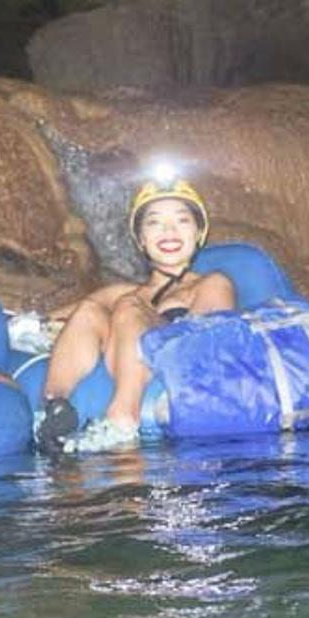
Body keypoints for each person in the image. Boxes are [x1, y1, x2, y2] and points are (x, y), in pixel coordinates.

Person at [34, 170, 235, 453]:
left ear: (199, 233)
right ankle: (53, 408)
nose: (169, 232)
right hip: (121, 348)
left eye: (181, 220)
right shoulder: (123, 292)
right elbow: (56, 317)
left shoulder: (212, 283)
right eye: (155, 223)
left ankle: (123, 415)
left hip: (173, 371)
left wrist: (141, 316)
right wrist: (35, 328)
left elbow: (202, 343)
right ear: (141, 239)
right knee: (90, 311)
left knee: (128, 306)